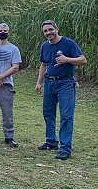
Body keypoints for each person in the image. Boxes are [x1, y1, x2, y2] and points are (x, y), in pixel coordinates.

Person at [35, 20, 87, 160]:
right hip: (49, 83)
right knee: (48, 113)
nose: (48, 33)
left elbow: (83, 60)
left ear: (56, 29)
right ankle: (51, 142)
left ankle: (65, 148)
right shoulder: (45, 46)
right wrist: (39, 82)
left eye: (50, 29)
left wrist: (67, 59)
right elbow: (43, 64)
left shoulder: (68, 43)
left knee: (66, 115)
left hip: (65, 83)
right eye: (45, 31)